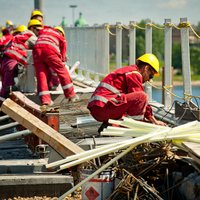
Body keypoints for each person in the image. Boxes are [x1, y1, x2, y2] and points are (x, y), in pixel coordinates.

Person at [87, 53, 166, 131]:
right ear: (146, 68)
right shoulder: (134, 73)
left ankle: (112, 125)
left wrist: (152, 119)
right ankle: (135, 128)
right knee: (142, 96)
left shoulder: (128, 71)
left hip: (99, 109)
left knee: (131, 100)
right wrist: (150, 120)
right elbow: (140, 99)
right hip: (103, 108)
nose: (149, 80)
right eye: (151, 75)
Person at [32, 26, 78, 106]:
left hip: (36, 50)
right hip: (49, 50)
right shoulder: (61, 38)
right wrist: (62, 60)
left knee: (41, 75)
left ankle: (45, 101)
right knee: (62, 71)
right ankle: (71, 95)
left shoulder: (45, 31)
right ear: (62, 34)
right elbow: (62, 57)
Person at [0, 20, 43, 98]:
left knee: (4, 89)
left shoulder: (18, 36)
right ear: (32, 28)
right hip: (11, 62)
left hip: (4, 62)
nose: (39, 32)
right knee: (7, 91)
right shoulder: (31, 36)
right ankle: (3, 108)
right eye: (38, 30)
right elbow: (42, 45)